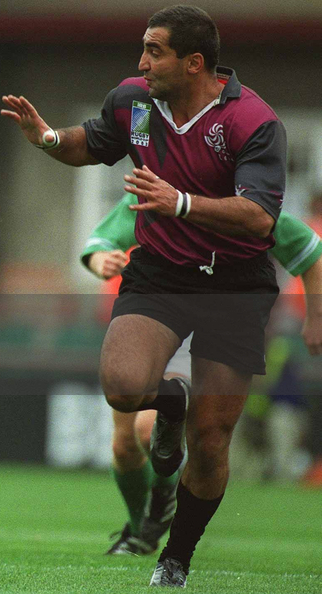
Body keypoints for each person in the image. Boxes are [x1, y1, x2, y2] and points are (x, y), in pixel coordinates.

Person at [2, 5, 286, 587]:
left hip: (234, 284)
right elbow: (91, 145)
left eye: (154, 50)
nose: (142, 61)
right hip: (160, 273)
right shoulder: (132, 100)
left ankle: (175, 557)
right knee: (124, 388)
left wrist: (179, 201)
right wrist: (48, 137)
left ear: (195, 62)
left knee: (210, 443)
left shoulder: (254, 121)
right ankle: (168, 405)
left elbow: (259, 218)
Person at [82, 193, 322, 555]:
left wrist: (314, 315)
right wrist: (102, 260)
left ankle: (161, 523)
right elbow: (103, 240)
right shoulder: (156, 190)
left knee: (148, 431)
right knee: (124, 443)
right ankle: (141, 526)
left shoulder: (245, 204)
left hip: (206, 327)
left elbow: (306, 248)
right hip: (148, 311)